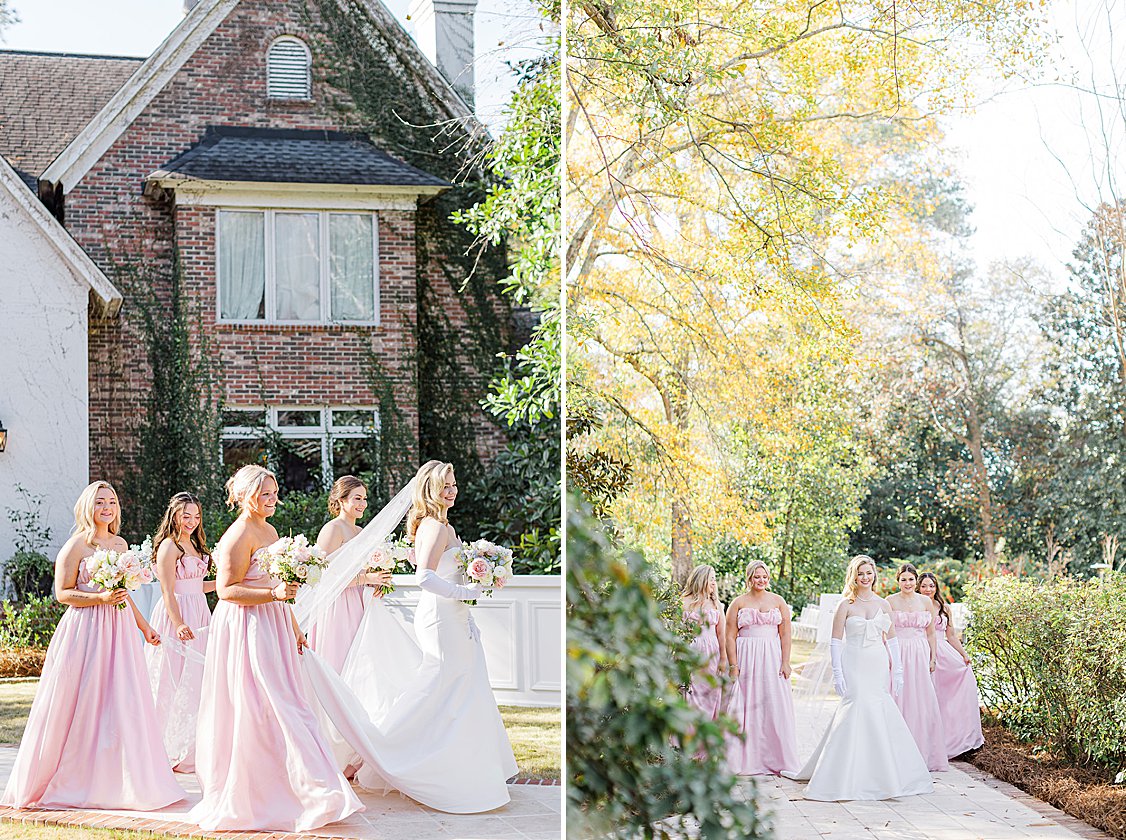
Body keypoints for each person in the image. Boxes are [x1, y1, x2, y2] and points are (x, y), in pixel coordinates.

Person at [297, 460, 519, 813]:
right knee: (436, 688)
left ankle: (462, 768)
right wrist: (466, 592)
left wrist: (483, 572)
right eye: (445, 486)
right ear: (430, 489)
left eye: (454, 484)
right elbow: (425, 577)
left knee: (460, 690)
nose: (452, 491)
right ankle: (388, 750)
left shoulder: (444, 524)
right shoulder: (433, 526)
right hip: (443, 618)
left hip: (456, 618)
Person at [188, 465, 362, 832]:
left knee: (290, 703)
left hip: (275, 623)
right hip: (247, 628)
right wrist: (274, 595)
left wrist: (294, 624)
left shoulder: (268, 529)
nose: (273, 499)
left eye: (274, 492)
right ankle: (267, 794)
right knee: (265, 706)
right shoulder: (238, 535)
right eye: (266, 493)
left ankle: (314, 790)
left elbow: (277, 583)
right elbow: (226, 591)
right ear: (246, 495)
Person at [1, 482, 185, 810]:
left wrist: (145, 628)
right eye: (100, 502)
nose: (106, 507)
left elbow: (124, 594)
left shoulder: (119, 543)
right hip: (85, 631)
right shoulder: (76, 546)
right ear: (88, 507)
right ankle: (74, 776)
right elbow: (62, 593)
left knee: (122, 701)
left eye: (112, 501)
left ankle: (121, 781)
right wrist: (98, 597)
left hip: (119, 631)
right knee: (84, 699)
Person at [787, 555, 933, 801]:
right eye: (860, 573)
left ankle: (883, 775)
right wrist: (837, 672)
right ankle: (841, 774)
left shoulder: (883, 605)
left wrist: (897, 670)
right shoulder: (846, 605)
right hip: (853, 661)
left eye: (869, 573)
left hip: (877, 662)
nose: (865, 577)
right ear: (854, 576)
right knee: (854, 708)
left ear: (874, 575)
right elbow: (834, 641)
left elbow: (893, 639)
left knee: (878, 708)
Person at [147, 491, 215, 772]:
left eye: (196, 516)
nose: (191, 521)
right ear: (174, 515)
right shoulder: (169, 547)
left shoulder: (196, 547)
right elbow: (168, 590)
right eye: (186, 516)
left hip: (199, 611)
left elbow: (198, 586)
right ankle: (161, 744)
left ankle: (191, 746)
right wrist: (178, 623)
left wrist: (223, 585)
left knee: (197, 678)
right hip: (177, 614)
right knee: (170, 676)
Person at [307, 476, 393, 673]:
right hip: (337, 604)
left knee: (361, 661)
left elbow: (361, 568)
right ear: (341, 500)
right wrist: (367, 578)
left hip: (359, 600)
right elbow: (323, 576)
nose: (363, 504)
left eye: (364, 498)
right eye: (357, 498)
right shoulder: (332, 529)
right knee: (339, 658)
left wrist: (376, 581)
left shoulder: (360, 531)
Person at [724, 560, 799, 775]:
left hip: (772, 656)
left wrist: (785, 661)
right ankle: (745, 759)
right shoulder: (738, 603)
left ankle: (777, 758)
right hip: (747, 656)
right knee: (748, 704)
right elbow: (730, 635)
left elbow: (785, 633)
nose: (761, 580)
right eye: (757, 576)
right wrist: (733, 664)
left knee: (774, 702)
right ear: (749, 578)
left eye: (764, 576)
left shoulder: (778, 601)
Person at [886, 563, 948, 772]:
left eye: (911, 579)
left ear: (916, 581)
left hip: (920, 653)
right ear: (898, 581)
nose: (908, 583)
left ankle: (922, 752)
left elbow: (931, 633)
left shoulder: (925, 602)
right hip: (898, 651)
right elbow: (884, 633)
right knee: (899, 697)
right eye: (903, 579)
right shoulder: (889, 601)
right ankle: (895, 752)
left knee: (921, 700)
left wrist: (932, 657)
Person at [918, 572, 985, 757]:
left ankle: (954, 738)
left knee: (951, 692)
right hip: (923, 651)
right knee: (929, 696)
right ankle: (927, 741)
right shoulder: (915, 606)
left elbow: (951, 636)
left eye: (931, 585)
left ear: (936, 587)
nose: (928, 589)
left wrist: (964, 654)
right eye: (924, 586)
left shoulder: (944, 608)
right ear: (918, 587)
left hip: (944, 653)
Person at [680, 564, 725, 719]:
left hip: (711, 652)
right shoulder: (683, 601)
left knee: (710, 691)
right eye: (711, 579)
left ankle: (705, 734)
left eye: (715, 579)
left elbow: (721, 633)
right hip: (689, 651)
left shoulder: (716, 605)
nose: (714, 582)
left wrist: (723, 659)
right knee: (688, 690)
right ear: (701, 580)